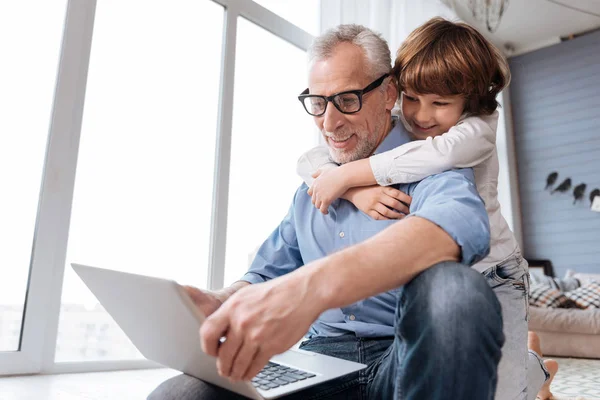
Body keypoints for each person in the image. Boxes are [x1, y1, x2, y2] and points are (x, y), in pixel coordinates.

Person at [148, 23, 504, 400]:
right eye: (318, 103)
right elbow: (267, 271)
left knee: (456, 290)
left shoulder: (429, 162)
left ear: (388, 94)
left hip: (402, 362)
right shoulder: (313, 189)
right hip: (318, 365)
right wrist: (223, 301)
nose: (329, 124)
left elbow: (459, 225)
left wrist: (310, 289)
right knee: (180, 395)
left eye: (347, 100)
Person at [296, 18, 555, 400]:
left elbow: (433, 155)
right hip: (444, 277)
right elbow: (310, 160)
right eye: (412, 98)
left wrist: (351, 174)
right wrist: (351, 192)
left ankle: (538, 369)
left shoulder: (475, 131)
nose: (420, 115)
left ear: (469, 100)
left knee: (502, 393)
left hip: (494, 274)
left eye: (439, 104)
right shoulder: (408, 123)